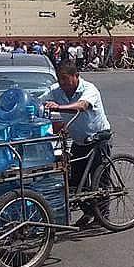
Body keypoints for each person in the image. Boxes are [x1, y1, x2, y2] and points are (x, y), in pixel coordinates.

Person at [40, 60, 111, 229]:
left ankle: (103, 217)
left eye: (65, 79)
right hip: (79, 140)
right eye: (60, 79)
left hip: (98, 138)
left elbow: (81, 106)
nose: (62, 83)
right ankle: (89, 211)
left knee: (99, 178)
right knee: (75, 182)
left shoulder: (89, 89)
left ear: (76, 76)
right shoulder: (56, 91)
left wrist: (58, 108)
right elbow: (39, 101)